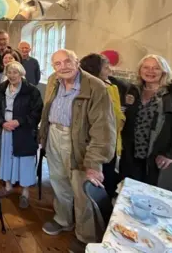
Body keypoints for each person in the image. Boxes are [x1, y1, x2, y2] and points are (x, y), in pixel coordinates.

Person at [38, 49, 116, 252]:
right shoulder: (54, 80)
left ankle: (86, 235)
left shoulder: (95, 87)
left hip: (79, 142)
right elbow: (48, 110)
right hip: (55, 135)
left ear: (77, 61)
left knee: (82, 190)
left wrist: (94, 162)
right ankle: (63, 219)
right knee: (58, 181)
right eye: (57, 64)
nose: (63, 67)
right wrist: (43, 136)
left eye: (67, 62)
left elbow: (103, 128)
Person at [120, 54, 172, 185]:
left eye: (156, 68)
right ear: (140, 70)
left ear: (164, 71)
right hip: (132, 157)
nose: (150, 71)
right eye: (146, 67)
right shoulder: (133, 90)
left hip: (159, 159)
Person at [0, 61, 43, 209]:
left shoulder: (32, 91)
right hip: (6, 130)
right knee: (6, 158)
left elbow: (36, 112)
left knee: (24, 161)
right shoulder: (1, 89)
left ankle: (25, 193)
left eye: (15, 72)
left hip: (24, 131)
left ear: (21, 74)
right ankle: (7, 187)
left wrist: (19, 121)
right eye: (9, 72)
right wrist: (2, 122)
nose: (12, 75)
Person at [80, 53, 125, 199]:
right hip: (94, 141)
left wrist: (121, 118)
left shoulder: (110, 86)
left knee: (106, 176)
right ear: (95, 70)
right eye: (106, 68)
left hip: (109, 139)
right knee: (94, 182)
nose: (109, 71)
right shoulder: (89, 89)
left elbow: (114, 114)